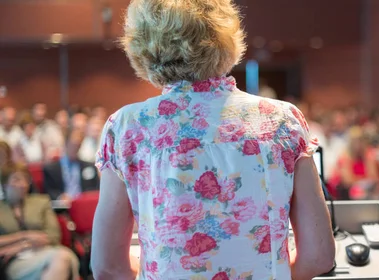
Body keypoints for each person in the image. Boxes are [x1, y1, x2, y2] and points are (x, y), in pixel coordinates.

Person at [90, 1, 335, 279]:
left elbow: (108, 267)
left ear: (143, 46)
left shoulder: (127, 127)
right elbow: (318, 257)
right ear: (226, 38)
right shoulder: (281, 121)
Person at [0, 164, 79, 280]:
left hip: (46, 252)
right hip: (15, 262)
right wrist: (25, 236)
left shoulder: (41, 202)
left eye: (26, 180)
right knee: (62, 259)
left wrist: (21, 246)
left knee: (61, 259)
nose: (22, 184)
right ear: (5, 183)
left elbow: (53, 236)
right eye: (16, 179)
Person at [43, 129, 99, 202]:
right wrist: (60, 197)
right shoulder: (51, 169)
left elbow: (95, 189)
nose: (75, 148)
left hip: (83, 204)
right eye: (73, 145)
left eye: (78, 145)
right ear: (65, 143)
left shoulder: (89, 167)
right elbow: (48, 191)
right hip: (62, 207)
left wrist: (84, 197)